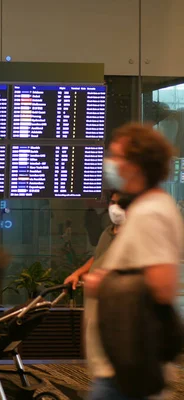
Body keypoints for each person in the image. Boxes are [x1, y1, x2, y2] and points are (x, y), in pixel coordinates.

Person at [85, 123, 183, 399]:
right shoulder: (145, 208)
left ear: (137, 165)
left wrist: (103, 282)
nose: (110, 163)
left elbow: (162, 285)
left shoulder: (151, 213)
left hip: (129, 365)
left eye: (117, 157)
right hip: (121, 362)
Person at [64, 190, 126, 289]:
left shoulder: (134, 235)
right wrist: (77, 274)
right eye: (113, 202)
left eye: (121, 203)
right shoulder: (107, 232)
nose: (115, 208)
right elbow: (97, 257)